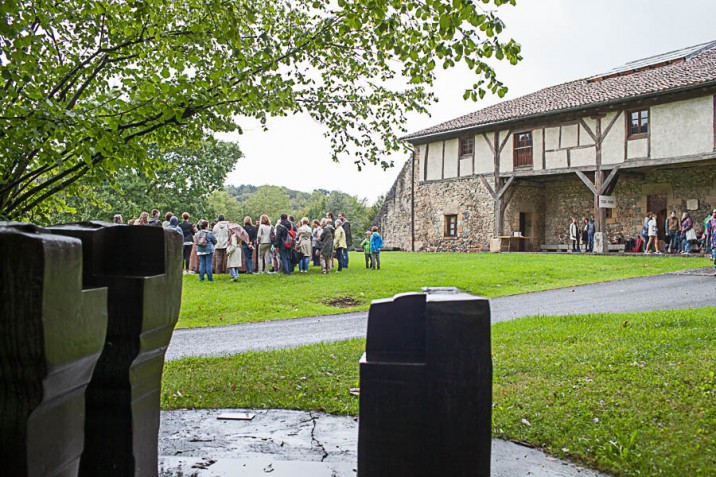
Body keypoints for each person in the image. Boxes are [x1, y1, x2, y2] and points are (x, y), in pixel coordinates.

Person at [706, 209, 716, 274]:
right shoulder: (710, 221)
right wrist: (707, 241)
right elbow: (708, 232)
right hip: (714, 241)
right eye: (714, 212)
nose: (715, 213)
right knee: (715, 256)